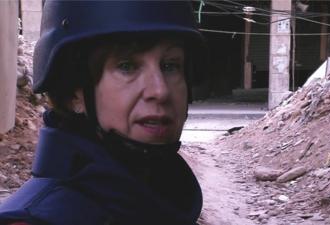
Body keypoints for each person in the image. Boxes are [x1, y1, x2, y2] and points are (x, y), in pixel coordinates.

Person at [0, 1, 206, 224]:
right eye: (127, 66)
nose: (160, 91)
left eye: (170, 66)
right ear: (74, 94)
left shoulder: (161, 198)